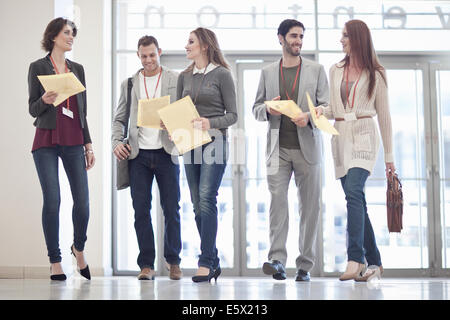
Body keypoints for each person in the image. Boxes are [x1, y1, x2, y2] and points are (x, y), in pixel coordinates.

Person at [315, 19, 395, 282]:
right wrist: (319, 111)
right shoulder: (335, 69)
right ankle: (375, 263)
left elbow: (384, 117)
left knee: (353, 193)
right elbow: (334, 108)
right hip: (340, 137)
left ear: (358, 39)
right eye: (342, 36)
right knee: (356, 199)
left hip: (364, 135)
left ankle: (355, 258)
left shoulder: (376, 73)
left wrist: (390, 160)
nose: (341, 40)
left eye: (346, 36)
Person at [253, 19, 329, 281]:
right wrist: (268, 109)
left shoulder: (317, 70)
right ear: (281, 38)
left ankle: (305, 265)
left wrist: (309, 116)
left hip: (308, 148)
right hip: (277, 150)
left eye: (301, 37)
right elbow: (256, 110)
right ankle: (277, 260)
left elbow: (327, 108)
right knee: (277, 204)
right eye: (294, 36)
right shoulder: (267, 72)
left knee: (309, 208)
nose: (298, 41)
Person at [28, 17, 95, 281]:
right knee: (53, 201)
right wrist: (44, 100)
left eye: (73, 33)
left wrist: (89, 145)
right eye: (66, 33)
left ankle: (78, 248)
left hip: (74, 139)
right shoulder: (38, 67)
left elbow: (82, 112)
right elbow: (32, 108)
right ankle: (55, 261)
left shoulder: (78, 69)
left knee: (83, 202)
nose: (71, 37)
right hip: (45, 140)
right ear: (54, 35)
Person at [112, 35, 182, 280]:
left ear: (159, 52)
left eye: (152, 55)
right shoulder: (129, 84)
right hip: (138, 155)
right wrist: (116, 142)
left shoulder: (175, 79)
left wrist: (176, 125)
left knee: (171, 208)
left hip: (167, 153)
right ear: (138, 56)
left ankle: (173, 261)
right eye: (144, 56)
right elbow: (120, 119)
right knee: (140, 210)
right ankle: (146, 265)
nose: (149, 60)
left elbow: (185, 113)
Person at [177, 27, 237, 283]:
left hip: (215, 141)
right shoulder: (184, 76)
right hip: (189, 143)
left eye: (190, 42)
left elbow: (233, 115)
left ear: (204, 45)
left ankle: (204, 261)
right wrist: (174, 128)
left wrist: (209, 123)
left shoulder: (222, 74)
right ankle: (213, 259)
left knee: (206, 197)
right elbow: (178, 109)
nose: (186, 45)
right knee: (196, 202)